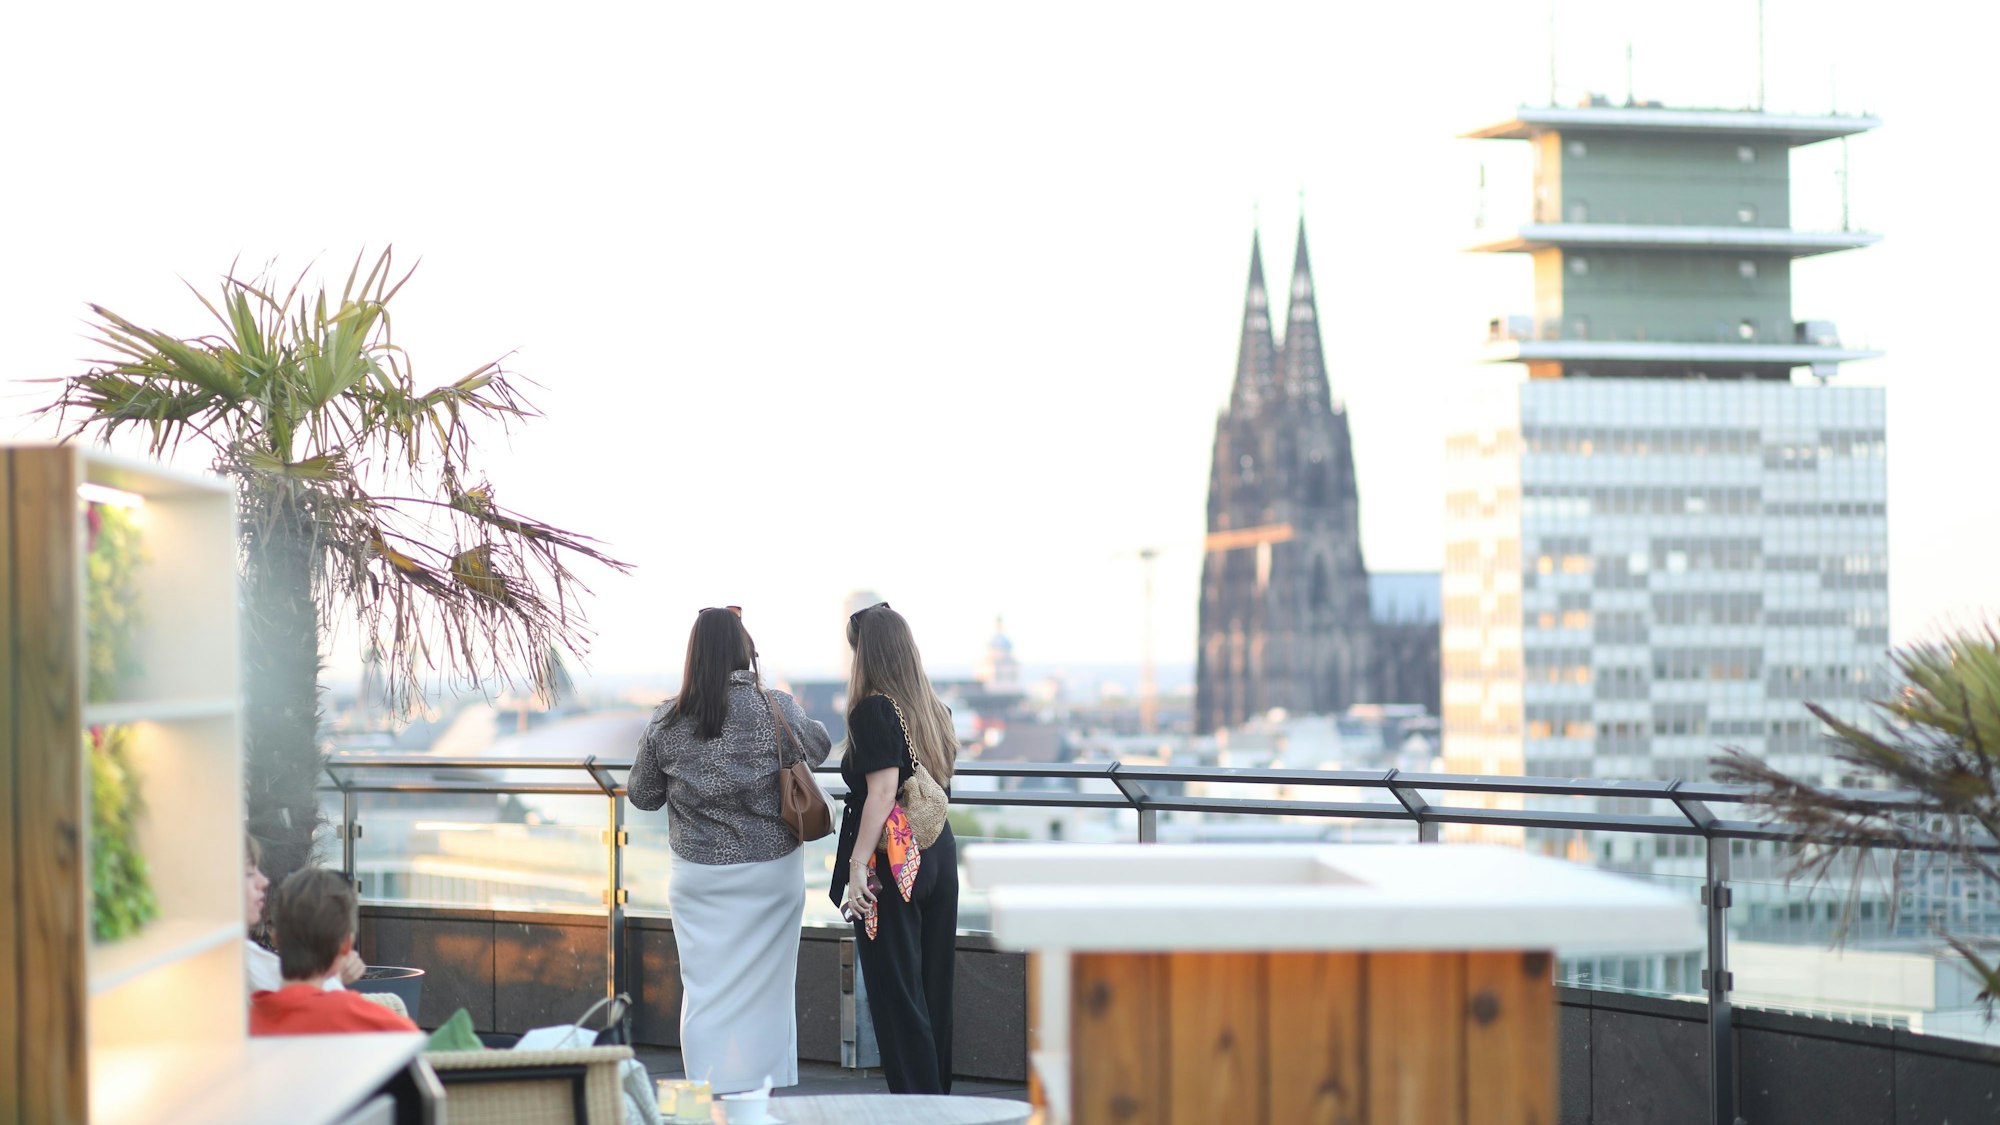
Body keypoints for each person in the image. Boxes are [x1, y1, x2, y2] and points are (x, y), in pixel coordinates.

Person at [629, 606, 832, 1093]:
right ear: (746, 652)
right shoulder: (773, 707)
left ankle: (707, 1091)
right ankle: (762, 1093)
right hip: (772, 872)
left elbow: (643, 794)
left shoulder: (669, 718)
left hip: (699, 875)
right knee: (769, 989)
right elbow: (820, 746)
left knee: (704, 991)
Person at [829, 602, 959, 1094]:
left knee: (896, 993)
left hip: (894, 861)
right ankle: (937, 1104)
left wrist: (859, 865)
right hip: (938, 851)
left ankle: (915, 1109)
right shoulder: (933, 709)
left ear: (866, 655)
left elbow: (882, 793)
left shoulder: (873, 711)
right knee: (933, 988)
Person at [250, 867, 419, 1035]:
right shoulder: (368, 1020)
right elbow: (413, 1046)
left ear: (275, 937)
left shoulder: (245, 1021)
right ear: (346, 946)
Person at [245, 831, 362, 996]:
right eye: (249, 873)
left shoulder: (246, 961)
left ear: (276, 937)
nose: (264, 882)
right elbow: (303, 996)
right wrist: (332, 973)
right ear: (346, 944)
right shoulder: (244, 966)